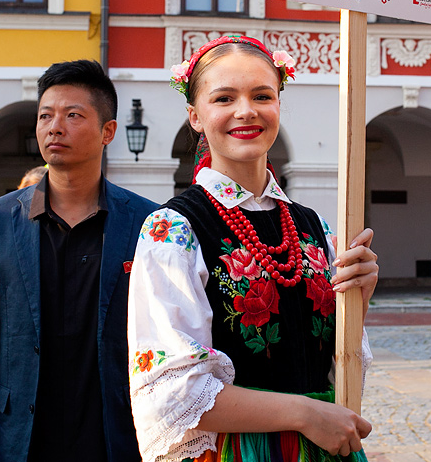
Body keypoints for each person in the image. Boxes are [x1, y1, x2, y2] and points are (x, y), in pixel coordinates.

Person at [128, 35, 379, 462]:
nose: (246, 110)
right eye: (224, 98)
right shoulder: (172, 229)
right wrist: (303, 414)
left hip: (321, 448)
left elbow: (333, 362)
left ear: (278, 104)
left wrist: (360, 298)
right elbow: (174, 392)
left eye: (262, 95)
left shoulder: (313, 225)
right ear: (195, 115)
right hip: (237, 452)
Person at [0, 60, 157, 462]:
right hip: (18, 443)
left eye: (73, 115)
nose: (54, 126)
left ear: (108, 131)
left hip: (117, 440)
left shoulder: (148, 223)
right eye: (45, 115)